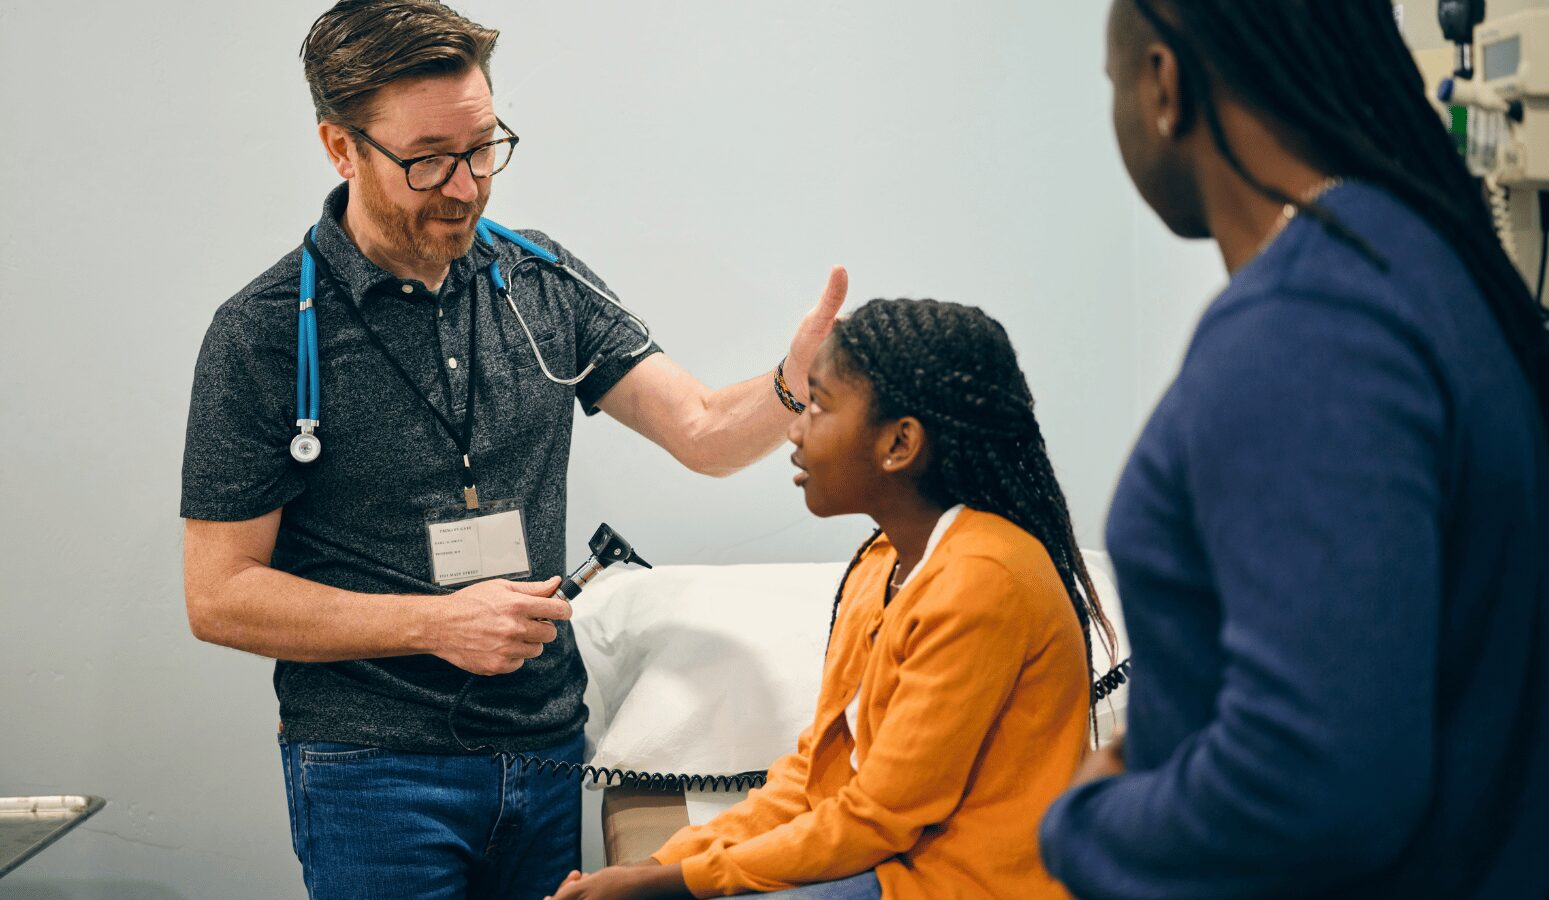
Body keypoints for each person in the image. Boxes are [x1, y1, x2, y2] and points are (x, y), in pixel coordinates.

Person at [179, 1, 847, 897]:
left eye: (483, 148)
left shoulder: (542, 280)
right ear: (341, 148)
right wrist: (433, 623)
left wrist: (790, 384)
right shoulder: (262, 335)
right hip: (373, 770)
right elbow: (219, 596)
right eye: (426, 161)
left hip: (543, 751)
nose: (464, 186)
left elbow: (702, 432)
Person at [1039, 2, 1549, 898]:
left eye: (1114, 84)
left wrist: (1089, 822)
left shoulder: (1304, 332)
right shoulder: (1430, 267)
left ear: (1163, 86)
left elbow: (1316, 784)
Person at [549, 298, 1116, 900]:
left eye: (817, 405)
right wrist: (662, 862)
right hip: (896, 865)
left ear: (899, 443)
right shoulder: (880, 567)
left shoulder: (985, 579)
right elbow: (817, 775)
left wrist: (673, 885)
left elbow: (876, 817)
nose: (795, 430)